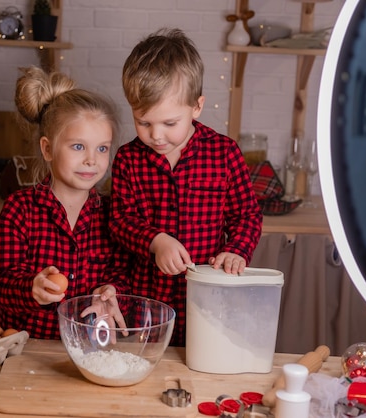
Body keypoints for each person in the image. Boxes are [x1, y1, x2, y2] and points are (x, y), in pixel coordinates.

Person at [111, 28, 262, 346]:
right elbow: (120, 220)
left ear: (197, 107)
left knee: (203, 362)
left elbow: (247, 214)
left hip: (208, 297)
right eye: (143, 122)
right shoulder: (128, 158)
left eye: (169, 123)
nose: (156, 135)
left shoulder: (224, 152)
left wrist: (236, 250)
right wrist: (156, 241)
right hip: (146, 299)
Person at [0, 66, 131, 340]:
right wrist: (32, 287)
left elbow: (122, 274)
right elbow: (1, 284)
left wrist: (111, 292)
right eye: (78, 146)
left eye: (102, 148)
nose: (92, 159)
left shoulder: (113, 213)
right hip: (26, 348)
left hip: (86, 348)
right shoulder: (19, 209)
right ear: (47, 149)